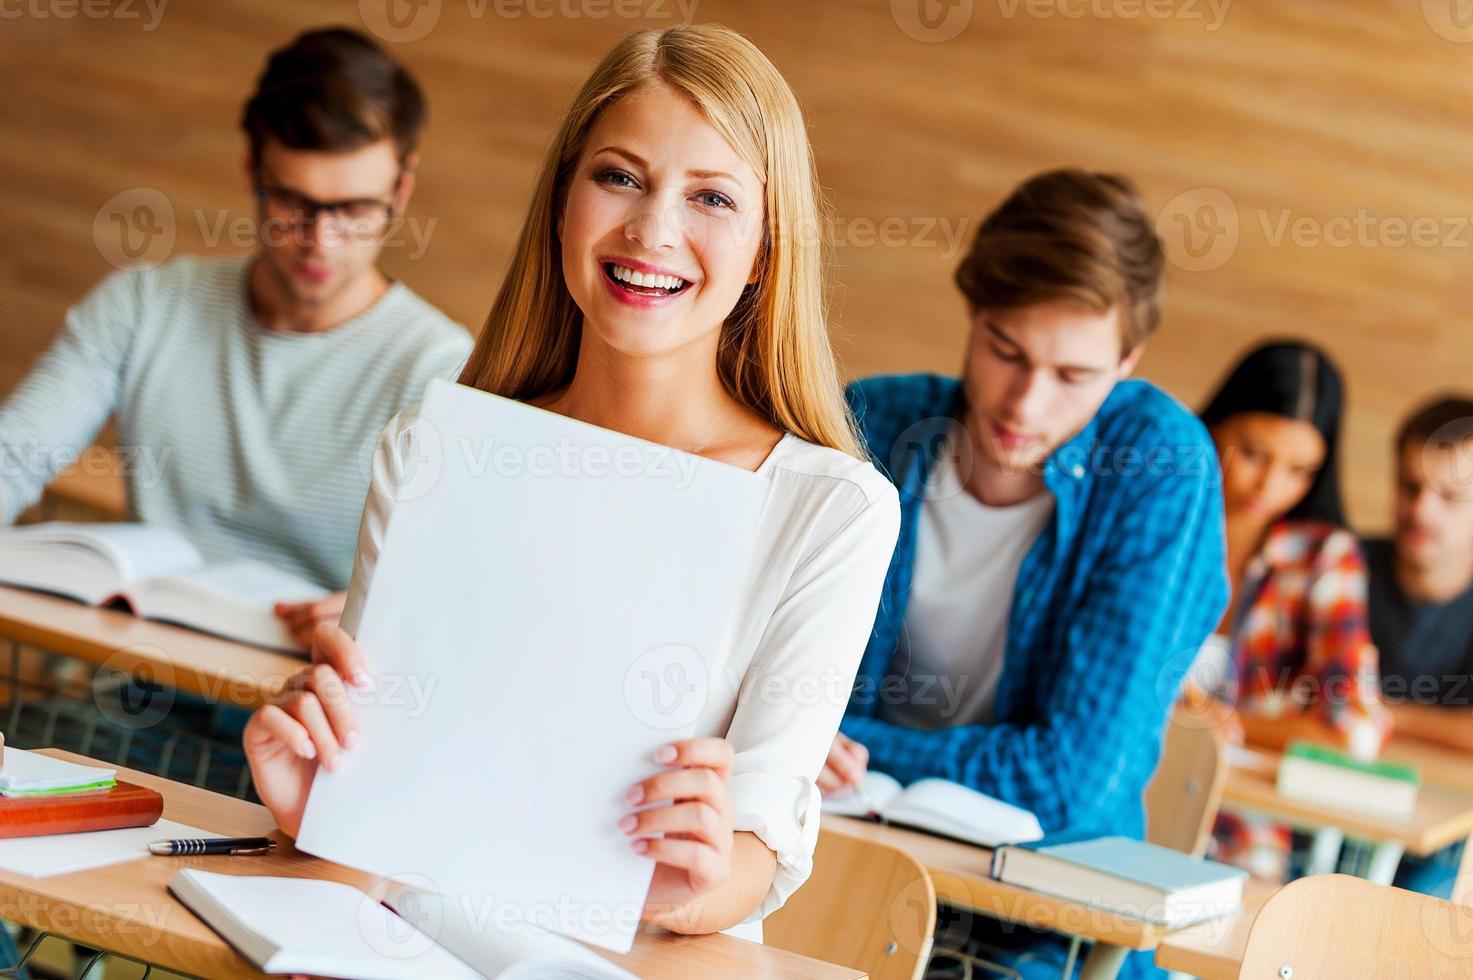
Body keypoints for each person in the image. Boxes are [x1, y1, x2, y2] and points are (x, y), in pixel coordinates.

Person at [242, 25, 900, 938]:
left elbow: (752, 845)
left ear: (766, 246)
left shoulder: (830, 509)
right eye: (618, 177)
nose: (652, 230)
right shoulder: (434, 450)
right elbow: (375, 824)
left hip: (639, 956)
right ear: (562, 201)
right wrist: (312, 806)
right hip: (398, 942)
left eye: (711, 197)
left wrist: (688, 882)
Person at [821, 169, 1228, 979]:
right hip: (829, 851)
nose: (1024, 405)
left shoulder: (1158, 465)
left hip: (1042, 916)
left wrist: (831, 744)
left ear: (1129, 359)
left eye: (1074, 376)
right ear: (972, 313)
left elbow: (1075, 777)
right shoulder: (871, 419)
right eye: (1004, 352)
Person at [0, 27, 472, 647]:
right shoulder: (144, 307)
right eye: (294, 203)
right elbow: (14, 455)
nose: (319, 241)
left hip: (308, 709)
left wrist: (379, 616)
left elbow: (458, 595)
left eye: (354, 209)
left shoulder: (441, 371)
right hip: (134, 679)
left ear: (400, 191)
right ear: (253, 171)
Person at [1198, 341, 1390, 881]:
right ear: (1213, 425)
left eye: (1299, 469)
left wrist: (1215, 723)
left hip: (1237, 836)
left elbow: (1350, 731)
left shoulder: (1324, 559)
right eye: (1254, 453)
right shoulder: (1157, 518)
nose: (1269, 485)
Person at [1364, 395, 1473, 898]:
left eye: (1449, 497)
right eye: (1410, 487)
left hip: (1445, 834)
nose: (1420, 510)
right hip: (1325, 807)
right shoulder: (1342, 563)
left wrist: (1387, 713)